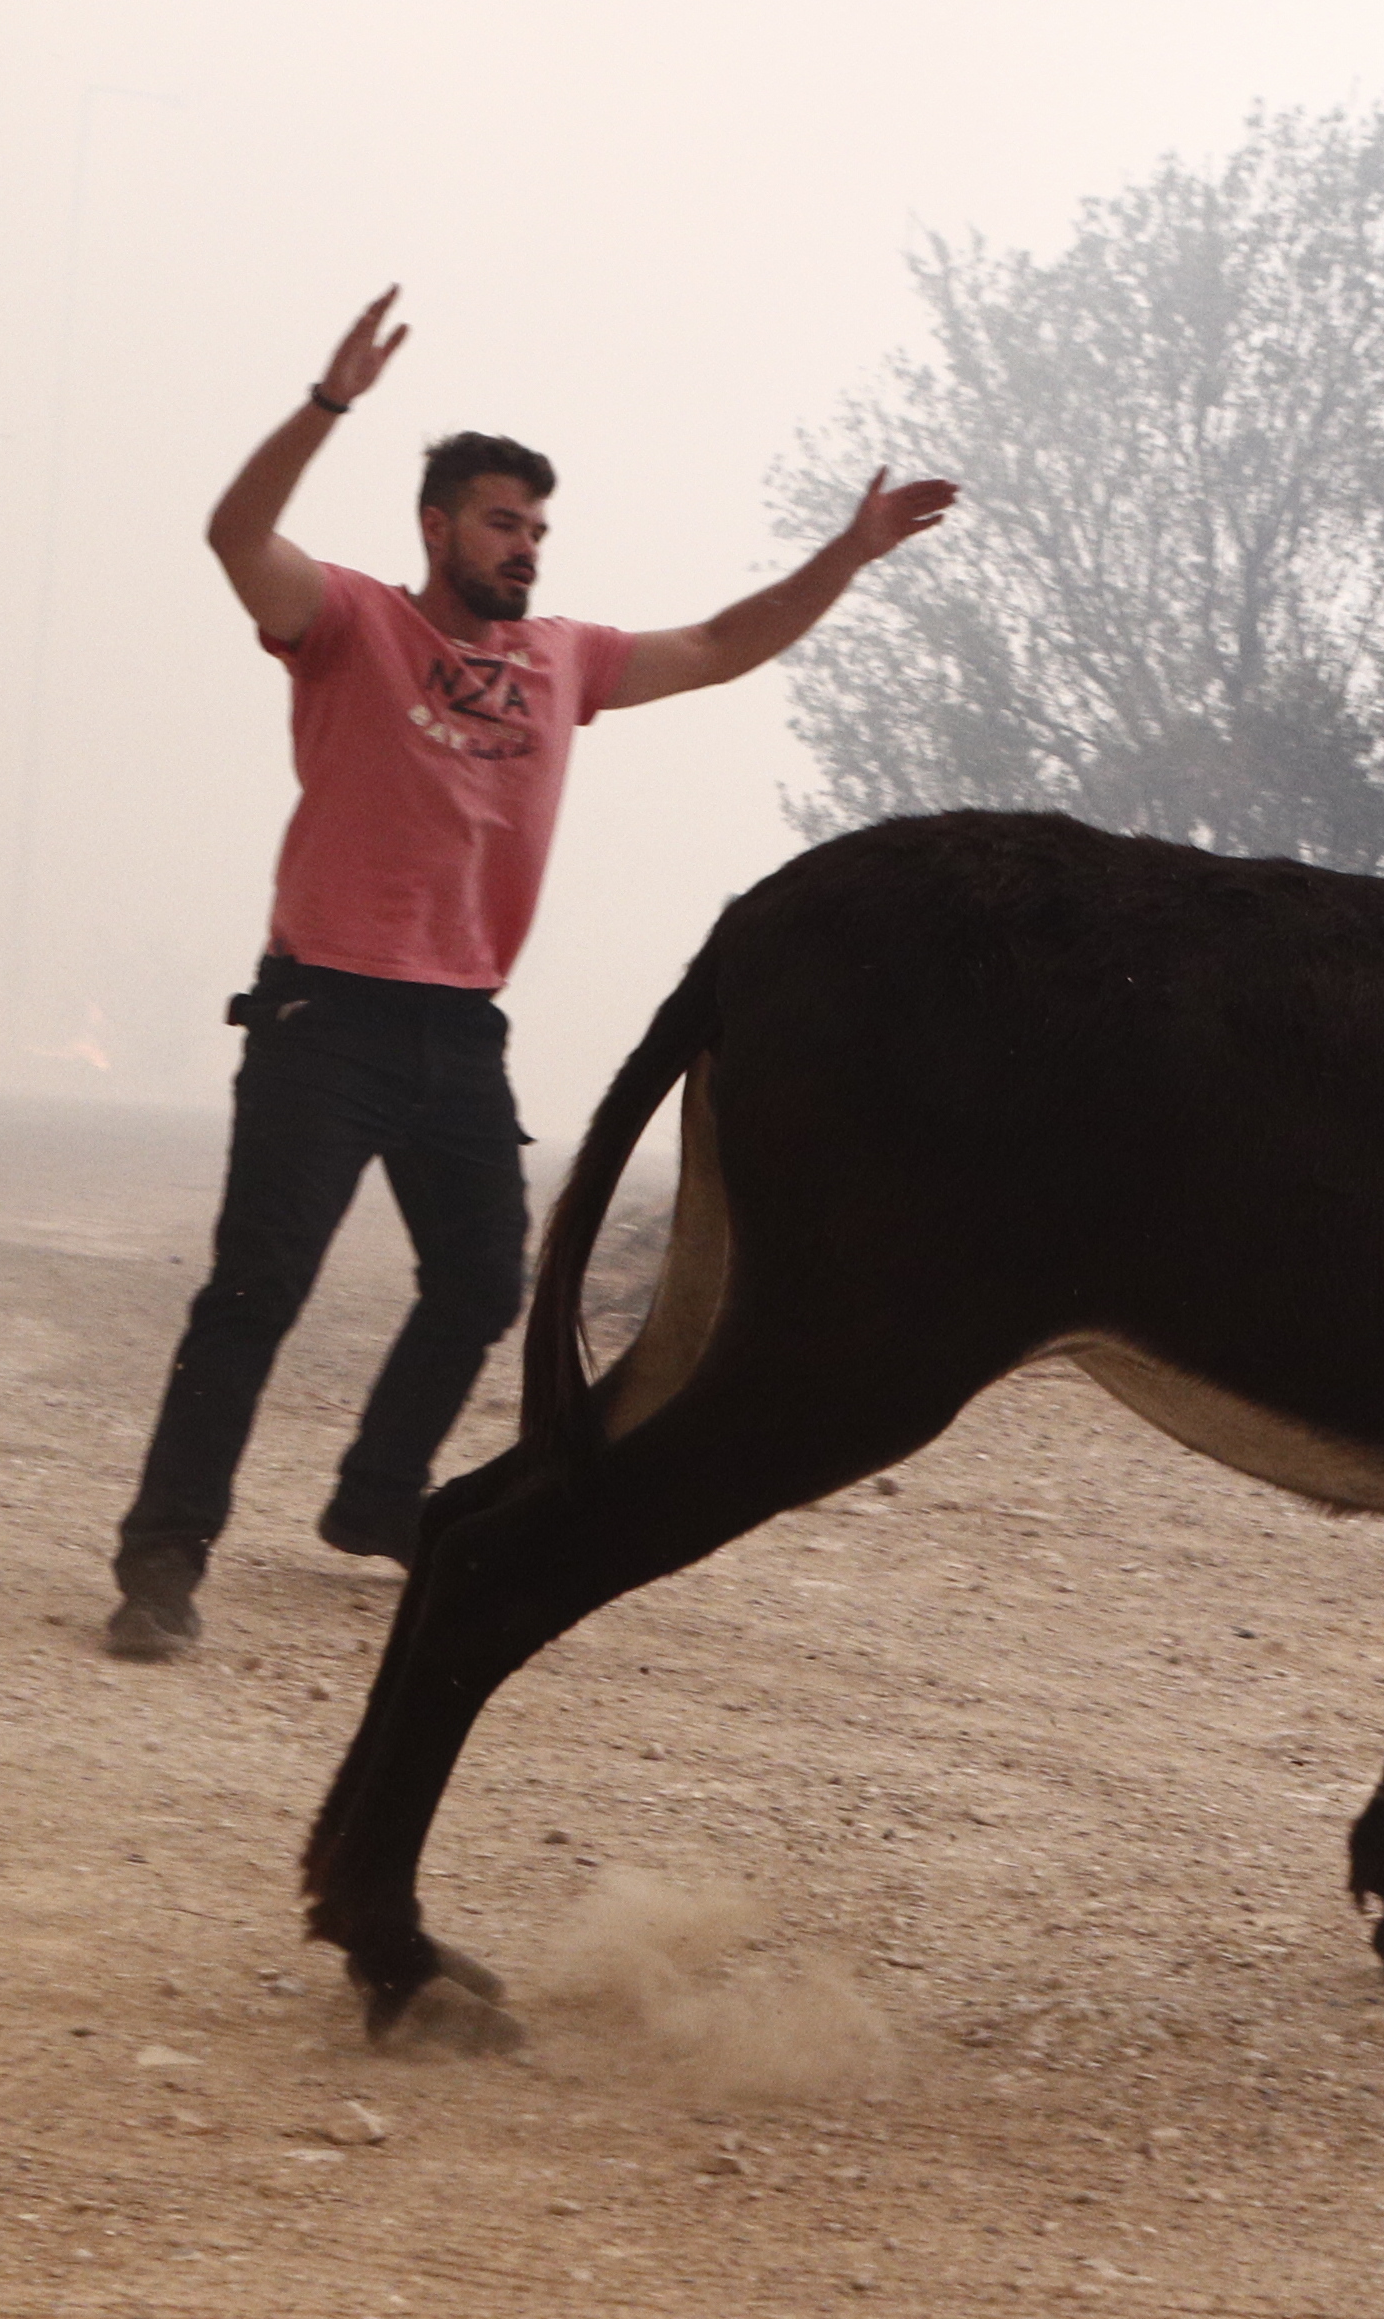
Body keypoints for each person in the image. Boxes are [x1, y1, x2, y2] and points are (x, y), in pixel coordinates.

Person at [104, 288, 957, 1659]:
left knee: (483, 1285)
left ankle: (376, 1496)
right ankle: (162, 1558)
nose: (527, 551)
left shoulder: (564, 664)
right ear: (438, 526)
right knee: (256, 1294)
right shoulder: (353, 624)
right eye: (504, 523)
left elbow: (727, 645)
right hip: (325, 1012)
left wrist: (845, 554)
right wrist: (326, 408)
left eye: (540, 531)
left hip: (459, 1032)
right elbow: (235, 537)